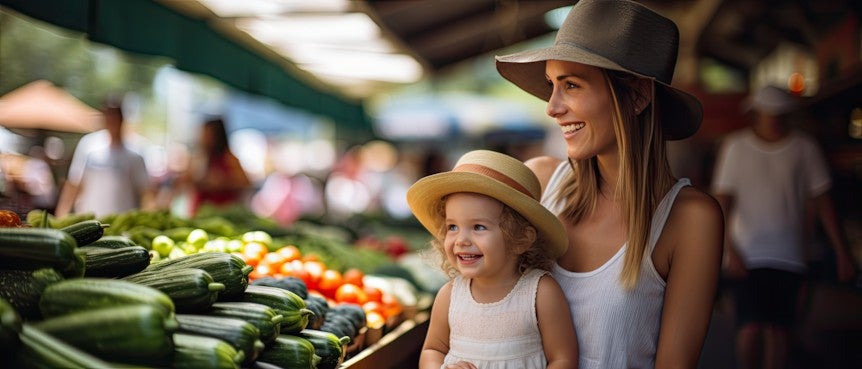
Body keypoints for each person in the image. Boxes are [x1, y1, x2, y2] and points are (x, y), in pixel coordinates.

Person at [494, 0, 725, 367]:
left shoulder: (690, 219)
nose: (552, 107)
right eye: (551, 84)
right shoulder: (539, 182)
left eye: (571, 85)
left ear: (636, 96)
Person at [711, 85, 857, 369]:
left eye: (779, 113)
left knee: (779, 332)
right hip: (747, 254)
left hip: (791, 255)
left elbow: (823, 201)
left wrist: (842, 252)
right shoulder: (735, 147)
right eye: (768, 113)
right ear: (756, 113)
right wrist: (729, 249)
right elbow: (721, 204)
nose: (774, 119)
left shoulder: (805, 148)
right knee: (750, 328)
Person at [407, 150, 578, 369]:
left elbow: (563, 358)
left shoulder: (540, 292)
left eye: (478, 227)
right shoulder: (450, 296)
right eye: (452, 227)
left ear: (521, 239)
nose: (461, 240)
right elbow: (433, 350)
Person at [55, 97, 154, 217]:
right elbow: (74, 184)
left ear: (122, 119)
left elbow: (145, 192)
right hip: (89, 221)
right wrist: (61, 215)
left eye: (115, 116)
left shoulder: (135, 153)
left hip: (121, 224)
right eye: (108, 116)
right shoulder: (88, 145)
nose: (111, 120)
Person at [180, 117, 251, 216]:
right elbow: (185, 180)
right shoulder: (199, 158)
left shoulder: (229, 158)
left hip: (224, 214)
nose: (203, 137)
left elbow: (246, 182)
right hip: (199, 212)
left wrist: (223, 182)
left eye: (207, 134)